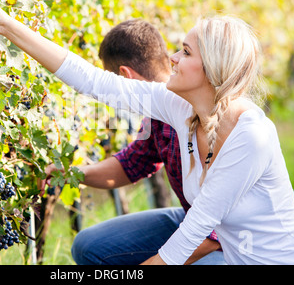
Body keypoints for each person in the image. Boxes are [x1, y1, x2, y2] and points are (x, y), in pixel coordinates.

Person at [0, 0, 294, 265]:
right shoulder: (179, 107)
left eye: (184, 52)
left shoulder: (251, 135)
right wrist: (5, 24)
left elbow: (194, 233)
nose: (171, 58)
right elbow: (92, 80)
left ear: (212, 70)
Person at [42, 19, 225, 265]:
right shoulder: (158, 117)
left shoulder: (208, 118)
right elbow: (131, 164)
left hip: (230, 242)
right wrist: (73, 173)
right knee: (88, 246)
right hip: (192, 219)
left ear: (124, 76)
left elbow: (213, 235)